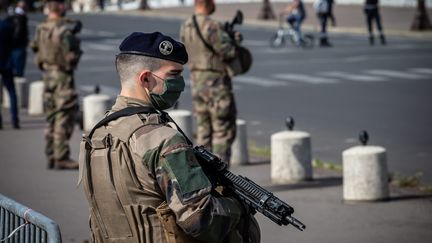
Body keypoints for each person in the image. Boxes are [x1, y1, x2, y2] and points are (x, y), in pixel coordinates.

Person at [79, 31, 259, 243]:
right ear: (145, 78)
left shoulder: (95, 135)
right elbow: (200, 219)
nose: (180, 83)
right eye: (173, 75)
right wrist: (238, 204)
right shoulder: (162, 139)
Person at [180, 0, 240, 165]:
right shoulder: (211, 25)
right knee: (223, 129)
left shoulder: (186, 25)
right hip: (216, 85)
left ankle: (205, 175)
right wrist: (234, 40)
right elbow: (228, 52)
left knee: (203, 131)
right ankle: (222, 175)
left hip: (197, 84)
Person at [30, 0, 82, 169]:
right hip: (62, 76)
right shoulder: (64, 30)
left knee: (52, 114)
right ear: (59, 7)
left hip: (47, 76)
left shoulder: (41, 28)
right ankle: (61, 156)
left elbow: (35, 49)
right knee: (64, 114)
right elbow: (71, 57)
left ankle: (51, 153)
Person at [0, 17, 20, 129]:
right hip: (7, 62)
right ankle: (15, 119)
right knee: (11, 92)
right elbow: (14, 42)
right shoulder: (8, 26)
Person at [7, 1, 29, 77]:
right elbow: (18, 31)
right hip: (19, 45)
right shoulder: (20, 16)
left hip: (14, 45)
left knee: (13, 66)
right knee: (19, 68)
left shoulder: (12, 15)